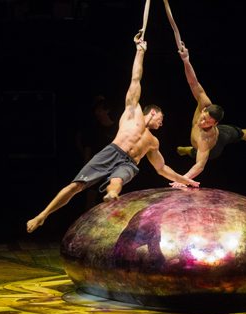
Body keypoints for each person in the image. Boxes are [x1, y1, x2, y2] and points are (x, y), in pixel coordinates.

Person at [27, 33, 199, 233]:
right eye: (161, 118)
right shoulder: (132, 113)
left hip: (129, 163)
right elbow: (136, 78)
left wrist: (185, 180)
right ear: (153, 112)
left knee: (117, 179)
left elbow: (161, 169)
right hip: (112, 151)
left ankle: (111, 195)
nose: (162, 123)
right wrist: (140, 51)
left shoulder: (153, 142)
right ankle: (42, 215)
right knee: (75, 186)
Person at [171, 42, 246, 187]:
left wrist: (182, 179)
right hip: (199, 142)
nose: (203, 123)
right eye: (204, 119)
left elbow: (200, 165)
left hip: (216, 145)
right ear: (204, 110)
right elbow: (193, 82)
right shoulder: (204, 104)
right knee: (195, 148)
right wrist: (186, 60)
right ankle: (191, 149)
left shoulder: (206, 139)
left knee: (240, 133)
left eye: (208, 123)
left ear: (215, 124)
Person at [75, 95, 118, 209]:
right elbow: (88, 148)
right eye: (96, 110)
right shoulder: (95, 129)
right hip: (96, 168)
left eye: (100, 110)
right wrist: (87, 168)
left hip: (113, 169)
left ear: (107, 110)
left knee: (112, 197)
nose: (97, 113)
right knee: (91, 199)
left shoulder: (118, 128)